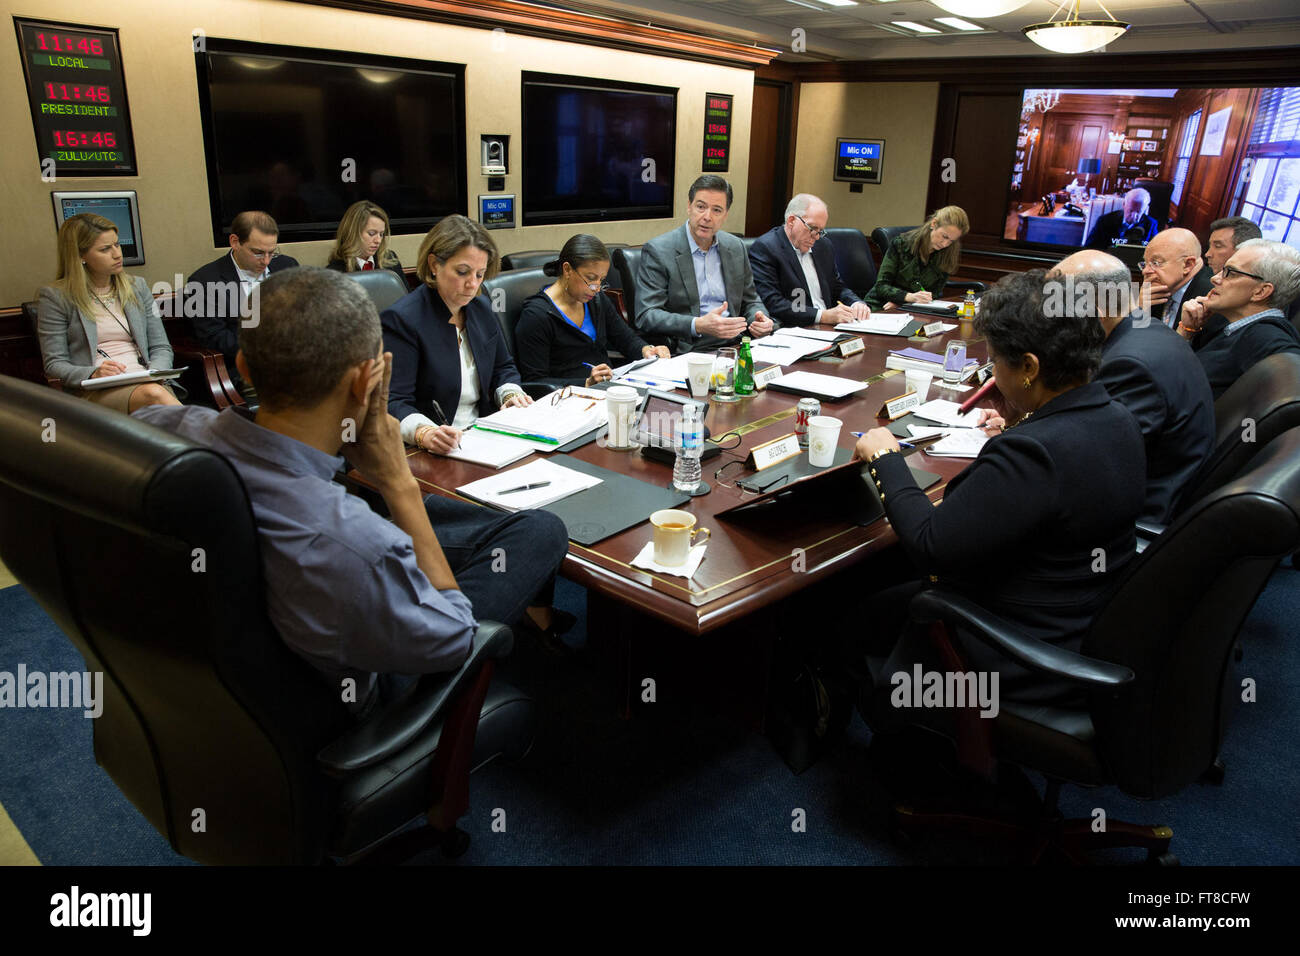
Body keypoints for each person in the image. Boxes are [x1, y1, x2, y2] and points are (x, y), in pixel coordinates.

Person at [134, 268, 571, 716]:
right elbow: (456, 638)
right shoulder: (358, 543)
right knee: (542, 532)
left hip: (212, 681)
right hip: (365, 693)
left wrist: (149, 397)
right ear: (367, 381)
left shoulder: (161, 434)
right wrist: (398, 483)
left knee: (531, 526)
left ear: (243, 367)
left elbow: (141, 402)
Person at [851, 268, 1144, 697]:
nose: (991, 371)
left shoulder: (1033, 453)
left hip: (1016, 645)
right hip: (1079, 611)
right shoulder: (1117, 416)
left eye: (994, 361)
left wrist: (885, 459)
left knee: (851, 614)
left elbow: (932, 547)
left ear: (1029, 367)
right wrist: (1023, 419)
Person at [1052, 250, 1214, 524]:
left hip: (1130, 522)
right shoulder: (1146, 328)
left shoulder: (1131, 366)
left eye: (1057, 307)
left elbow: (1088, 465)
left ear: (1094, 312)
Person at [382, 214, 530, 455]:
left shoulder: (481, 307)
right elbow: (393, 401)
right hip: (428, 450)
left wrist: (510, 394)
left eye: (480, 274)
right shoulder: (402, 320)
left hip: (484, 438)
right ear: (434, 265)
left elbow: (503, 367)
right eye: (462, 272)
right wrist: (424, 432)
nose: (472, 284)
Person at [36, 213, 181, 413]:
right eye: (105, 249)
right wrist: (94, 373)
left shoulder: (136, 286)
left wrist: (154, 372)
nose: (117, 254)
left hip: (146, 379)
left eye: (117, 245)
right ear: (80, 256)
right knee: (155, 397)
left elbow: (161, 346)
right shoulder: (56, 296)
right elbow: (54, 363)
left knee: (155, 396)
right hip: (98, 389)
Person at [634, 174, 774, 353]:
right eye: (701, 207)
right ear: (689, 206)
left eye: (717, 210)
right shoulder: (659, 250)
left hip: (735, 343)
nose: (707, 217)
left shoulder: (735, 246)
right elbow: (647, 315)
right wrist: (698, 324)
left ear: (725, 215)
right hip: (690, 348)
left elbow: (751, 299)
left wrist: (759, 319)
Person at [515, 234, 669, 387]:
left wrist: (647, 350)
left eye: (601, 280)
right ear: (567, 270)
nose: (596, 288)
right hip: (565, 401)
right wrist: (586, 383)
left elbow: (625, 339)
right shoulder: (536, 316)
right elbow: (535, 382)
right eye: (590, 278)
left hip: (607, 389)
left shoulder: (596, 300)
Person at [185, 211, 299, 404]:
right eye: (258, 252)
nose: (266, 261)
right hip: (246, 365)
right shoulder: (204, 280)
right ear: (235, 241)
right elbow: (214, 337)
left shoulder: (287, 266)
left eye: (272, 252)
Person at [1180, 239, 1300, 398]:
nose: (1215, 278)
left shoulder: (1267, 339)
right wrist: (1188, 331)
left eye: (1231, 272)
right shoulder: (1238, 328)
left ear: (1260, 292)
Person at [748, 193, 870, 327]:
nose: (816, 237)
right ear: (791, 221)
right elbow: (773, 302)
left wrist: (855, 303)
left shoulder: (824, 246)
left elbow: (836, 287)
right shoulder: (766, 248)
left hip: (831, 327)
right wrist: (822, 316)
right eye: (812, 228)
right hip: (796, 328)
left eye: (820, 231)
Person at [864, 206, 969, 310]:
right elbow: (881, 286)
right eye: (944, 236)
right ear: (934, 224)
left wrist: (905, 304)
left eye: (951, 241)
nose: (945, 244)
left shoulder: (948, 254)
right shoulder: (901, 244)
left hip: (913, 308)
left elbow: (934, 294)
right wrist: (908, 298)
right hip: (880, 304)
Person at [1190, 216, 1263, 351]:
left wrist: (1185, 331)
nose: (1207, 254)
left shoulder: (1214, 291)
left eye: (1218, 246)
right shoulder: (1146, 285)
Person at [1137, 227, 1213, 330]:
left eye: (1156, 263)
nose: (1145, 271)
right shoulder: (1153, 289)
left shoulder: (1211, 297)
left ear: (1187, 265)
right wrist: (1139, 310)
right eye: (1145, 263)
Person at [325, 200, 405, 283]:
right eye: (371, 233)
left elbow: (406, 295)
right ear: (353, 233)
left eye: (381, 234)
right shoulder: (334, 273)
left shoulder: (390, 259)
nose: (378, 240)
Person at [1085, 187, 1158, 249]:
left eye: (1138, 211)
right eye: (1131, 210)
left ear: (1144, 209)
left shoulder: (1151, 224)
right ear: (1124, 205)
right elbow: (1089, 248)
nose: (1133, 215)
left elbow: (1154, 251)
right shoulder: (1105, 221)